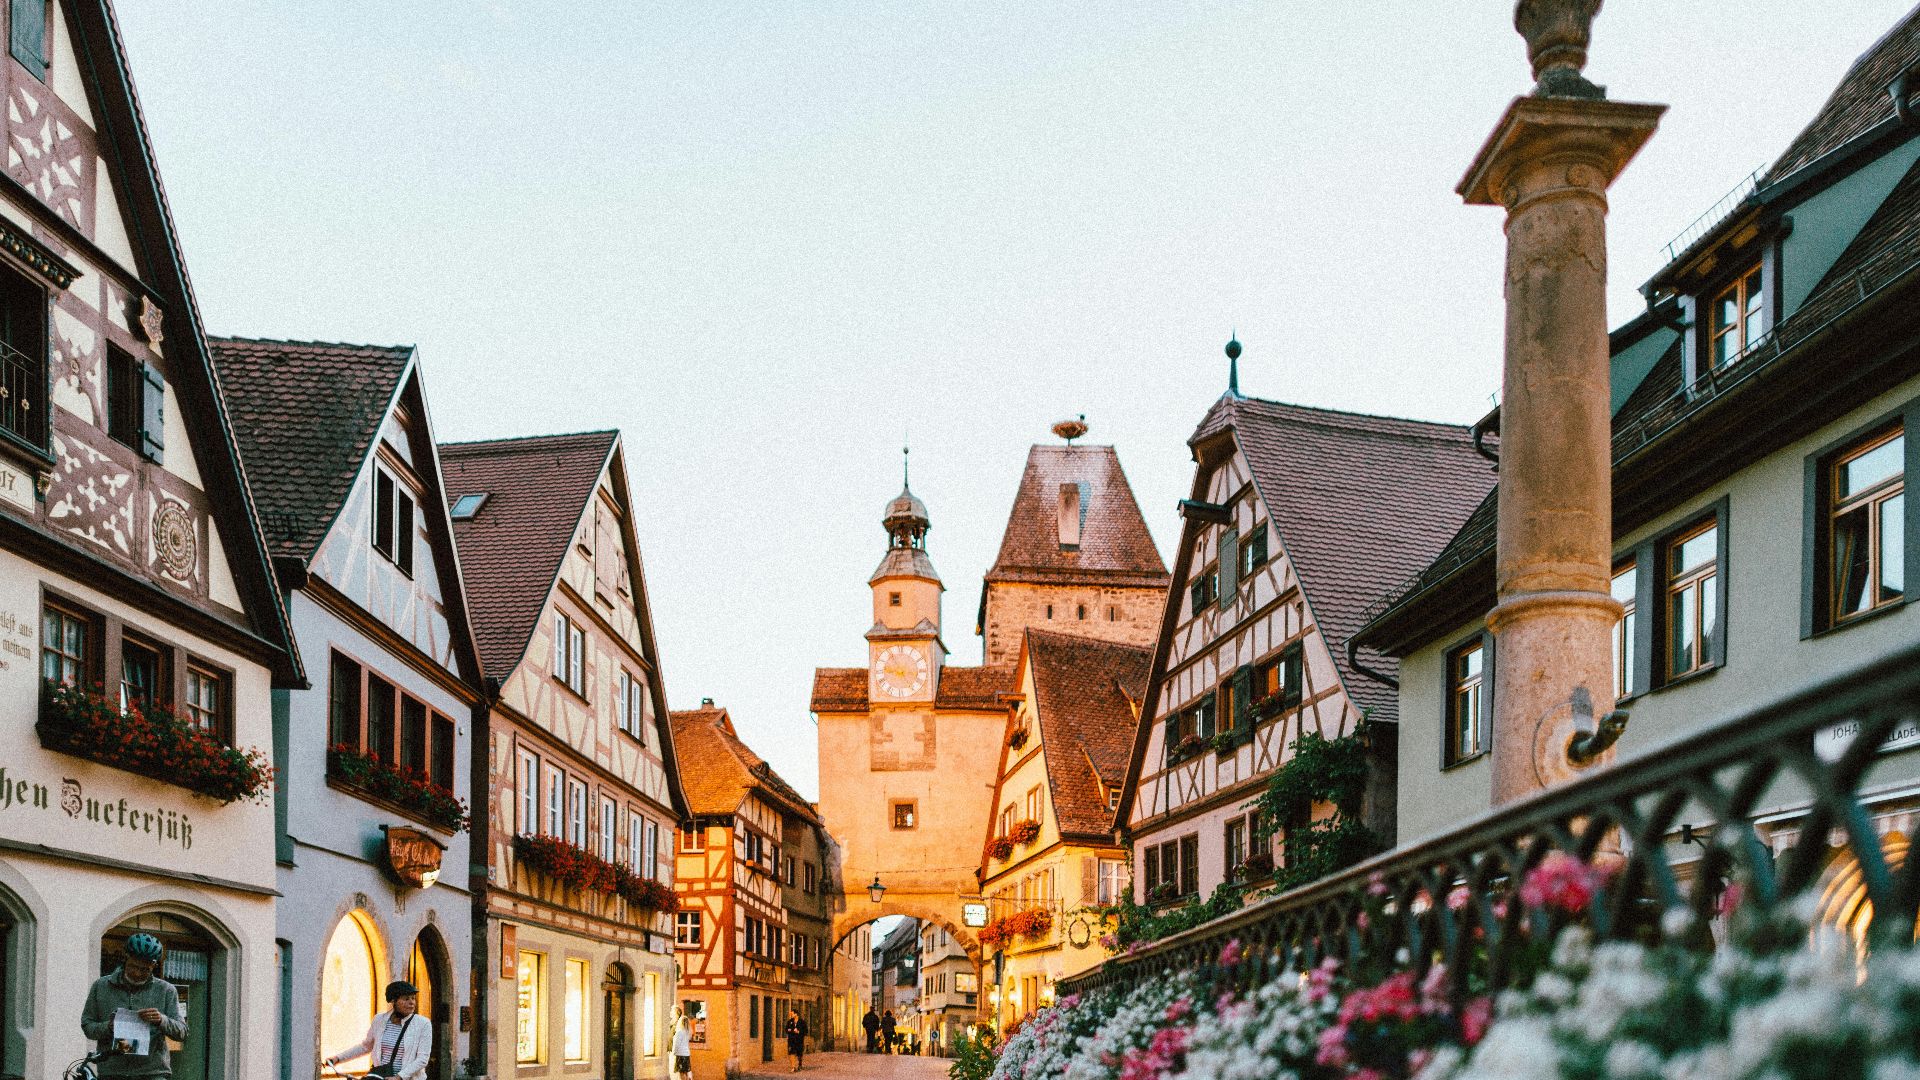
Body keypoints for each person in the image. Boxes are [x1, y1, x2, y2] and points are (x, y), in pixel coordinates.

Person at [82, 933, 188, 1078]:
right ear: (126, 958)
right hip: (113, 1073)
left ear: (154, 965)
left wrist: (161, 1020)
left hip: (152, 1073)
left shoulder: (166, 990)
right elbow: (88, 1026)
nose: (137, 973)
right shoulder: (101, 986)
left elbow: (182, 1032)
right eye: (133, 966)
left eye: (145, 969)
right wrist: (108, 1027)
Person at [324, 980, 432, 1080]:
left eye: (413, 998)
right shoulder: (379, 1020)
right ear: (394, 1000)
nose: (412, 1002)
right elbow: (365, 1046)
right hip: (381, 1077)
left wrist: (399, 1076)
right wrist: (337, 1058)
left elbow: (422, 1059)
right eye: (406, 999)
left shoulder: (422, 1024)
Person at [783, 1006, 807, 1072]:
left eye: (792, 1014)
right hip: (791, 1040)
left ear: (796, 1014)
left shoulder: (802, 1022)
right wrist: (790, 1030)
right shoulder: (790, 1022)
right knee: (791, 1053)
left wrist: (799, 1032)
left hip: (799, 1040)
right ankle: (793, 1067)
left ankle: (800, 1064)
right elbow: (786, 1029)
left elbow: (805, 1031)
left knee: (799, 1054)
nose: (791, 1015)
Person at [672, 1012, 693, 1078]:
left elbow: (676, 1043)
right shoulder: (688, 1032)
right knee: (686, 1071)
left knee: (681, 1072)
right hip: (686, 1054)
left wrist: (674, 1052)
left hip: (680, 1054)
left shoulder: (679, 1032)